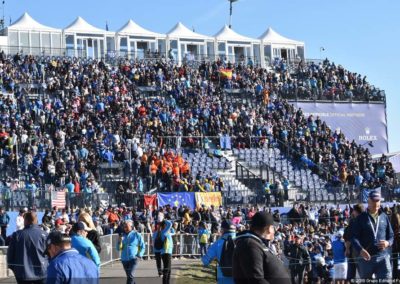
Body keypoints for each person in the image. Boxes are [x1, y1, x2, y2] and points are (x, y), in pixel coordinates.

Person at [233, 211, 291, 284]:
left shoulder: (257, 243)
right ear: (269, 228)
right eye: (273, 227)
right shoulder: (249, 245)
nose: (274, 231)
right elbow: (256, 279)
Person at [351, 190, 394, 279]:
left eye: (377, 201)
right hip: (366, 259)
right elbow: (354, 237)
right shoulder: (361, 218)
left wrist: (387, 243)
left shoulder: (384, 216)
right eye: (373, 201)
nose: (376, 203)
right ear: (368, 201)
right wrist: (360, 250)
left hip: (383, 257)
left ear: (380, 201)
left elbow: (391, 236)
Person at [7, 212, 48, 284]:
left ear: (25, 221)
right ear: (36, 220)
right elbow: (51, 254)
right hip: (42, 273)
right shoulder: (44, 235)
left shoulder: (17, 235)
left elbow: (10, 256)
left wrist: (15, 269)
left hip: (22, 274)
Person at [202, 220, 236, 284]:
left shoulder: (217, 243)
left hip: (223, 278)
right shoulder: (241, 241)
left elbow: (205, 261)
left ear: (222, 230)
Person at [117, 220, 146, 284]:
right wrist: (119, 241)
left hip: (133, 258)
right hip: (124, 259)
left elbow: (142, 246)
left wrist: (139, 255)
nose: (125, 228)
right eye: (124, 227)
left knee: (130, 276)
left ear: (131, 227)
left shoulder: (136, 234)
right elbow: (118, 248)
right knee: (130, 277)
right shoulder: (122, 236)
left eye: (127, 227)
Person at [343, 203, 364, 280]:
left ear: (356, 211)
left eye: (353, 211)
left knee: (352, 275)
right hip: (365, 250)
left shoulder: (354, 222)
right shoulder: (366, 220)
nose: (352, 213)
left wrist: (347, 249)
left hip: (354, 251)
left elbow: (348, 237)